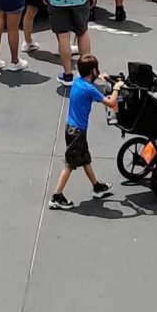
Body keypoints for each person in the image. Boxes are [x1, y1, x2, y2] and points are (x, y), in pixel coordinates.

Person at [49, 59, 114, 208]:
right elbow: (111, 103)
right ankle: (56, 197)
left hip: (71, 128)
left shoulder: (78, 80)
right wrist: (116, 88)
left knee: (84, 158)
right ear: (93, 71)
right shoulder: (89, 90)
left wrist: (99, 77)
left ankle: (97, 186)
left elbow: (87, 76)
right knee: (70, 165)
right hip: (77, 132)